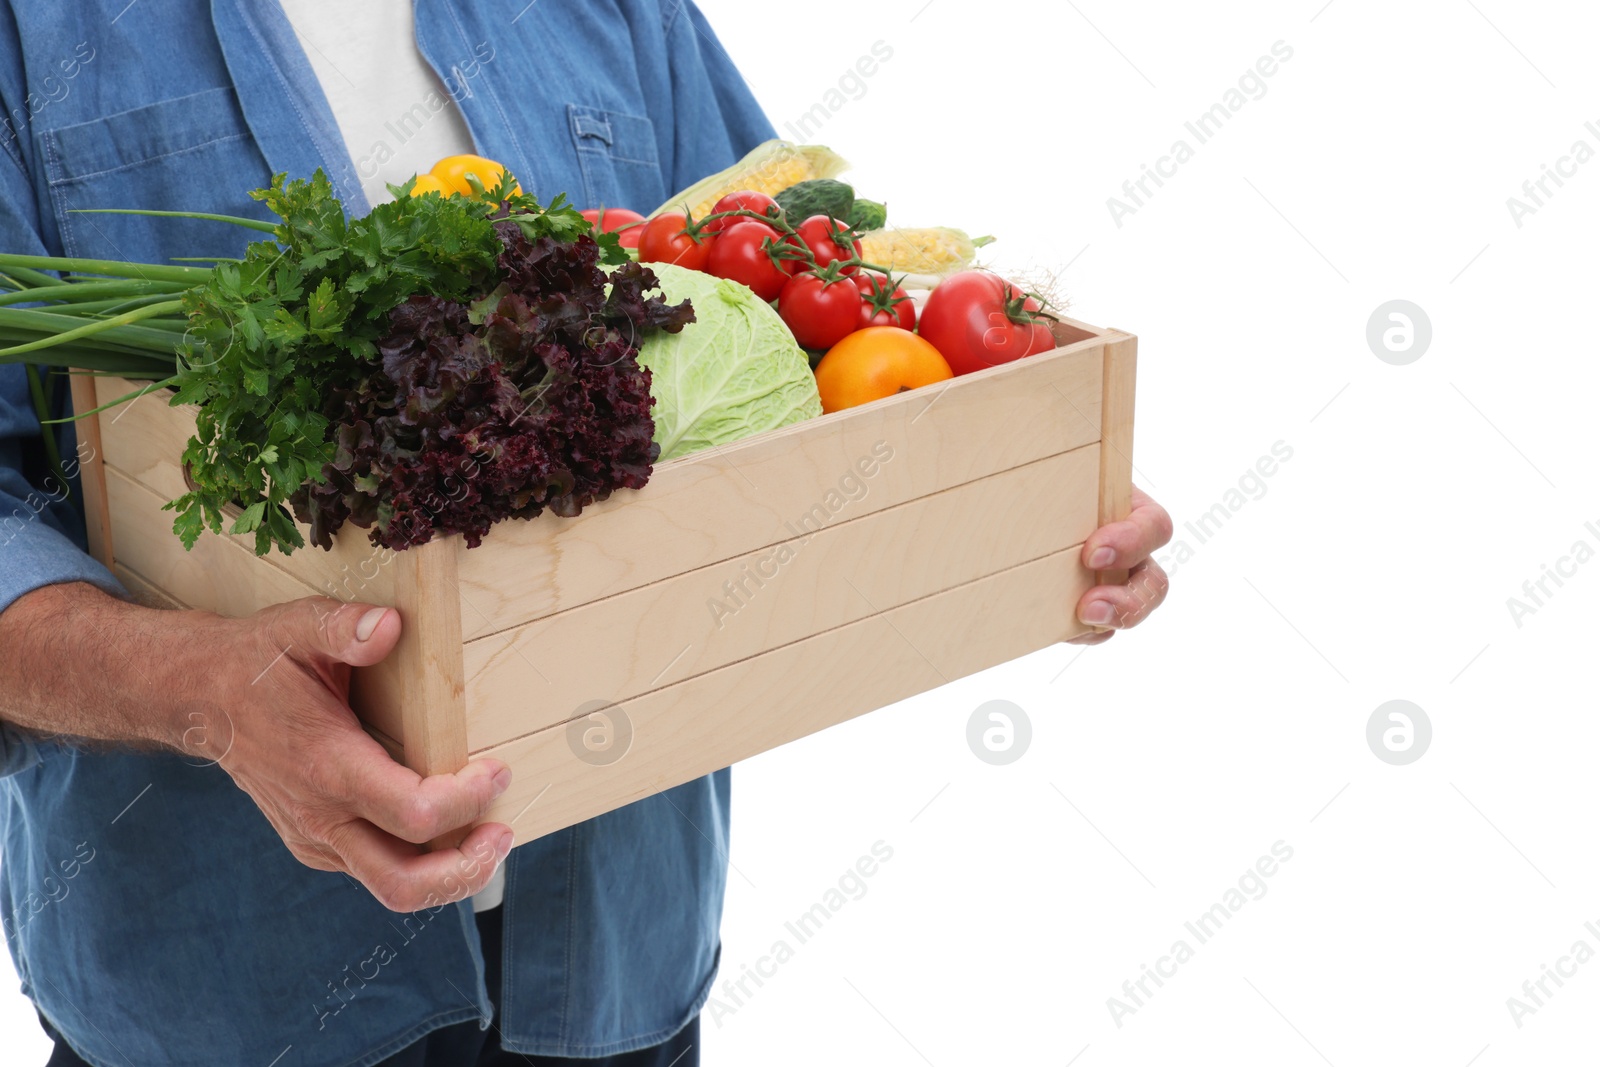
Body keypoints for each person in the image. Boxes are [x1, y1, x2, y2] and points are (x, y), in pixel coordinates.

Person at [0, 2, 1173, 1064]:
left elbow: (789, 321)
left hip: (618, 964)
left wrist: (1011, 493)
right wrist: (202, 690)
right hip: (224, 997)